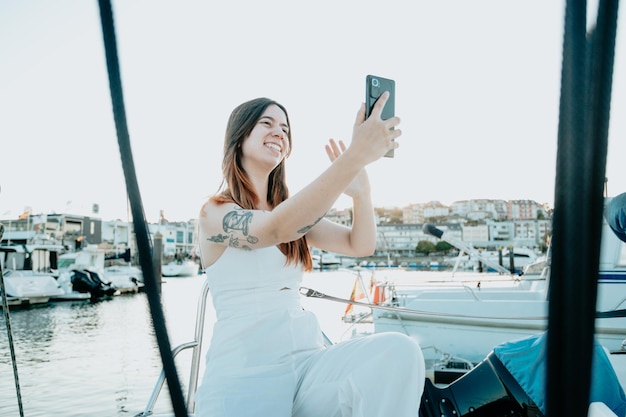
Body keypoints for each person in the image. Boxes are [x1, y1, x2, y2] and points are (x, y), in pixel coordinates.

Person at [195, 94, 425, 417]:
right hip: (244, 374)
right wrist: (354, 156)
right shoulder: (214, 212)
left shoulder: (291, 214)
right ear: (239, 135)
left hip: (306, 365)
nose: (279, 132)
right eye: (267, 123)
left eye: (285, 129)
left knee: (400, 353)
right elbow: (275, 229)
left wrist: (362, 193)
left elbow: (360, 245)